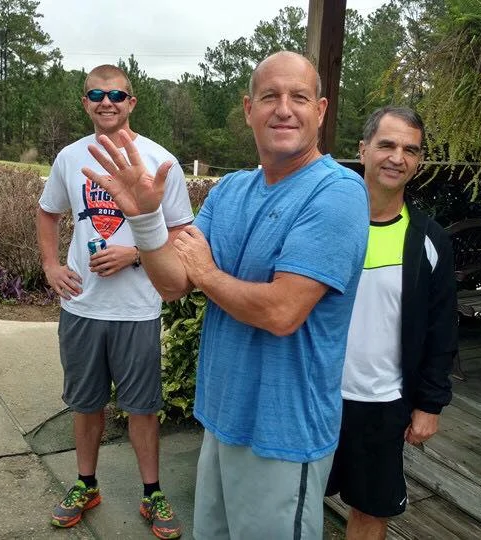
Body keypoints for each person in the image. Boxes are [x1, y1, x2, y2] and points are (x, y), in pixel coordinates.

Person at [81, 51, 369, 538]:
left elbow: (282, 311)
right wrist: (145, 220)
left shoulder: (337, 192)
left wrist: (208, 274)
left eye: (299, 97)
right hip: (221, 416)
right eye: (269, 96)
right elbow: (173, 284)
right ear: (248, 109)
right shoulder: (231, 189)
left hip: (284, 432)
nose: (284, 109)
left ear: (320, 111)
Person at [36, 64, 193, 539]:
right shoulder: (70, 157)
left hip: (137, 309)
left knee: (142, 407)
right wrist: (50, 265)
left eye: (117, 95)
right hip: (82, 306)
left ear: (132, 102)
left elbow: (182, 233)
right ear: (85, 102)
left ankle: (152, 493)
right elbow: (47, 212)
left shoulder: (160, 161)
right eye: (97, 94)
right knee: (85, 404)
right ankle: (86, 485)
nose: (107, 102)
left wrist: (137, 254)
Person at [324, 106, 457, 539]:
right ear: (363, 150)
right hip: (316, 394)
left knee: (370, 512)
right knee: (295, 500)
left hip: (382, 403)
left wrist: (430, 404)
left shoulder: (429, 239)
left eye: (410, 149)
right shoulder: (323, 223)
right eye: (387, 145)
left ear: (419, 160)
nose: (398, 157)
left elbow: (441, 329)